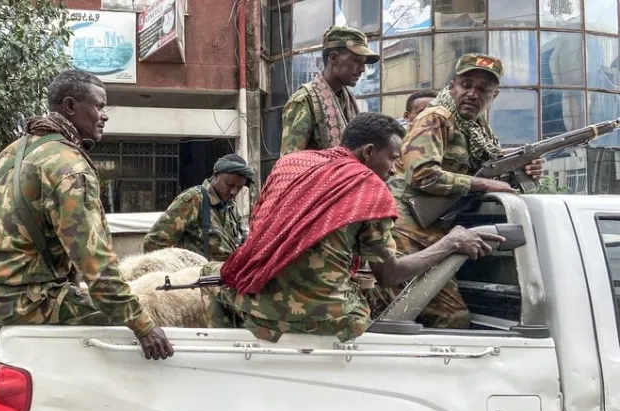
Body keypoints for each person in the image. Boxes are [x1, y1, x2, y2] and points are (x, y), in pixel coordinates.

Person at [0, 70, 174, 411]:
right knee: (119, 320)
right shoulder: (68, 166)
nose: (105, 115)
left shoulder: (12, 151)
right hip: (21, 298)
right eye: (99, 105)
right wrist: (143, 326)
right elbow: (96, 263)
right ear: (71, 107)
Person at [213, 112, 504, 343]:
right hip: (328, 318)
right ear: (367, 152)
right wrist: (451, 242)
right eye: (391, 158)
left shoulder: (289, 164)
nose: (393, 169)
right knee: (375, 304)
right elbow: (390, 274)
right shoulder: (370, 189)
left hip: (252, 304)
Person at [369, 53, 543, 329]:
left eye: (483, 89)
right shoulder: (436, 117)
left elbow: (484, 166)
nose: (473, 94)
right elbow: (423, 174)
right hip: (404, 230)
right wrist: (485, 184)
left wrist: (522, 168)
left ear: (493, 96)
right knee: (404, 316)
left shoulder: (477, 131)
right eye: (466, 85)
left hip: (434, 232)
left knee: (440, 318)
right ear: (453, 87)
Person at [279, 25, 380, 156]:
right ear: (333, 58)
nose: (362, 69)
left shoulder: (348, 102)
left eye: (364, 63)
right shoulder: (304, 101)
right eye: (356, 61)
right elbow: (290, 165)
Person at [143, 154, 253, 261]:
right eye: (230, 184)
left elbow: (243, 242)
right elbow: (154, 243)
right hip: (196, 276)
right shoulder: (194, 200)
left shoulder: (231, 207)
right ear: (215, 175)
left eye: (239, 187)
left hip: (225, 276)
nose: (234, 192)